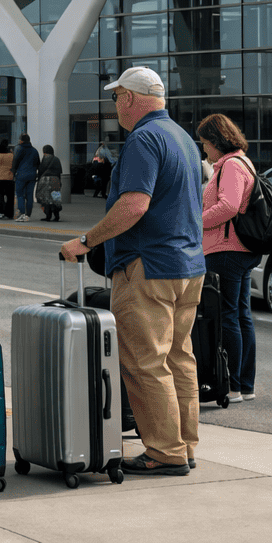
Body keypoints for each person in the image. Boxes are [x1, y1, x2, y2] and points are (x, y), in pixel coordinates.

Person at [61, 66, 205, 476]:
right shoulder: (183, 138)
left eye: (115, 98)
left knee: (145, 362)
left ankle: (164, 451)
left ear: (128, 98)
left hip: (148, 266)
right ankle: (185, 445)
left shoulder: (143, 139)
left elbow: (134, 205)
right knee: (179, 358)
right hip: (188, 266)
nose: (114, 106)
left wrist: (86, 242)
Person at [197, 113, 261, 403]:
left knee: (228, 318)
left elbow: (228, 207)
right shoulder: (241, 161)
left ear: (217, 141)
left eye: (205, 144)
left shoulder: (231, 166)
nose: (204, 150)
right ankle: (244, 385)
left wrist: (196, 222)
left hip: (227, 250)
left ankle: (233, 386)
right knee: (242, 317)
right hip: (240, 250)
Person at [12, 133, 40, 222]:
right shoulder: (34, 150)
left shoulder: (18, 148)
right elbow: (38, 163)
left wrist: (13, 173)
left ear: (22, 140)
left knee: (20, 195)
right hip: (32, 175)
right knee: (29, 196)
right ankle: (28, 215)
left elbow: (15, 162)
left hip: (21, 175)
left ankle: (22, 213)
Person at [36, 144, 63, 222]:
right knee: (55, 197)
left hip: (45, 180)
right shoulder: (56, 159)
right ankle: (57, 216)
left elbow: (41, 170)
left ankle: (48, 216)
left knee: (46, 198)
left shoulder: (45, 159)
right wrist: (59, 182)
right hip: (55, 180)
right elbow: (59, 172)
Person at [0, 139, 15, 219]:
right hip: (9, 177)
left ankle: (0, 212)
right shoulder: (11, 155)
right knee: (10, 197)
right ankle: (9, 213)